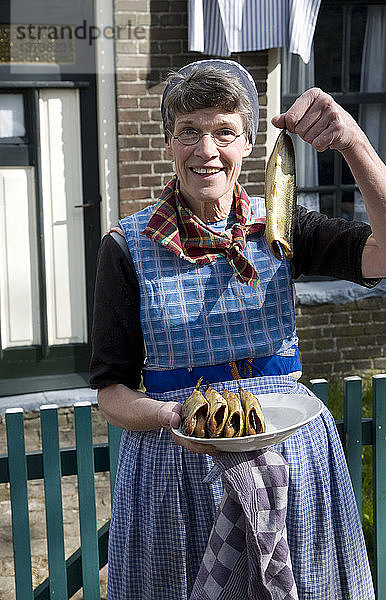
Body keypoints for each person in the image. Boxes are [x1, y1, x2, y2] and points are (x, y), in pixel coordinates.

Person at [90, 59, 385, 600]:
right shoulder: (126, 247)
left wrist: (353, 144)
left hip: (293, 463)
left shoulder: (283, 226)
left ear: (248, 143)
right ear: (168, 144)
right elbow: (111, 391)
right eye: (189, 133)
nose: (206, 151)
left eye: (225, 132)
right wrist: (178, 417)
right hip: (175, 472)